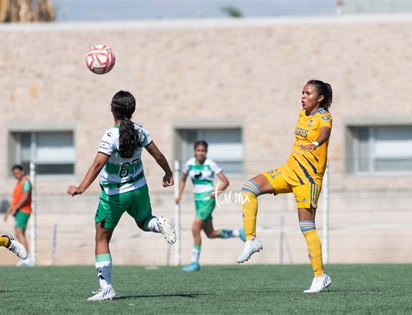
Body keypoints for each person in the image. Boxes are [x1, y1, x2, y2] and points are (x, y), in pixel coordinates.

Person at [67, 90, 176, 301]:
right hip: (139, 188)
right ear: (132, 110)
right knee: (144, 221)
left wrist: (80, 187)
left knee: (101, 238)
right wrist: (168, 173)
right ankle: (159, 222)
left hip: (115, 195)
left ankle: (106, 287)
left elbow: (98, 164)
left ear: (112, 109)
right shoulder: (140, 131)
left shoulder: (111, 135)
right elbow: (158, 154)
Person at [238, 80, 333, 293]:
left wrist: (317, 143)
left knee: (307, 227)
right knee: (248, 189)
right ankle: (251, 240)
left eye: (308, 93)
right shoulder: (302, 114)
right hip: (289, 170)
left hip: (308, 179)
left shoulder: (324, 116)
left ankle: (320, 276)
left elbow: (324, 132)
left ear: (320, 98)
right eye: (302, 92)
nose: (303, 96)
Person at [176, 141, 245, 272]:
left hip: (208, 199)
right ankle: (238, 232)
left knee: (195, 228)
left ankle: (194, 262)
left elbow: (225, 181)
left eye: (203, 151)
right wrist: (179, 194)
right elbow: (183, 179)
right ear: (194, 151)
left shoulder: (211, 164)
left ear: (206, 152)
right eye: (198, 150)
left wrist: (217, 192)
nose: (201, 153)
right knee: (210, 233)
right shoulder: (189, 164)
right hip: (197, 201)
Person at [4, 165, 34, 266]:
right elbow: (15, 200)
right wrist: (8, 212)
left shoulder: (25, 182)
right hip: (19, 211)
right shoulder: (19, 183)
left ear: (22, 172)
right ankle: (26, 257)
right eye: (14, 174)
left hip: (24, 211)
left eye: (17, 173)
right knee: (20, 234)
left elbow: (25, 197)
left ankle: (27, 257)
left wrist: (16, 208)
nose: (16, 175)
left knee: (19, 233)